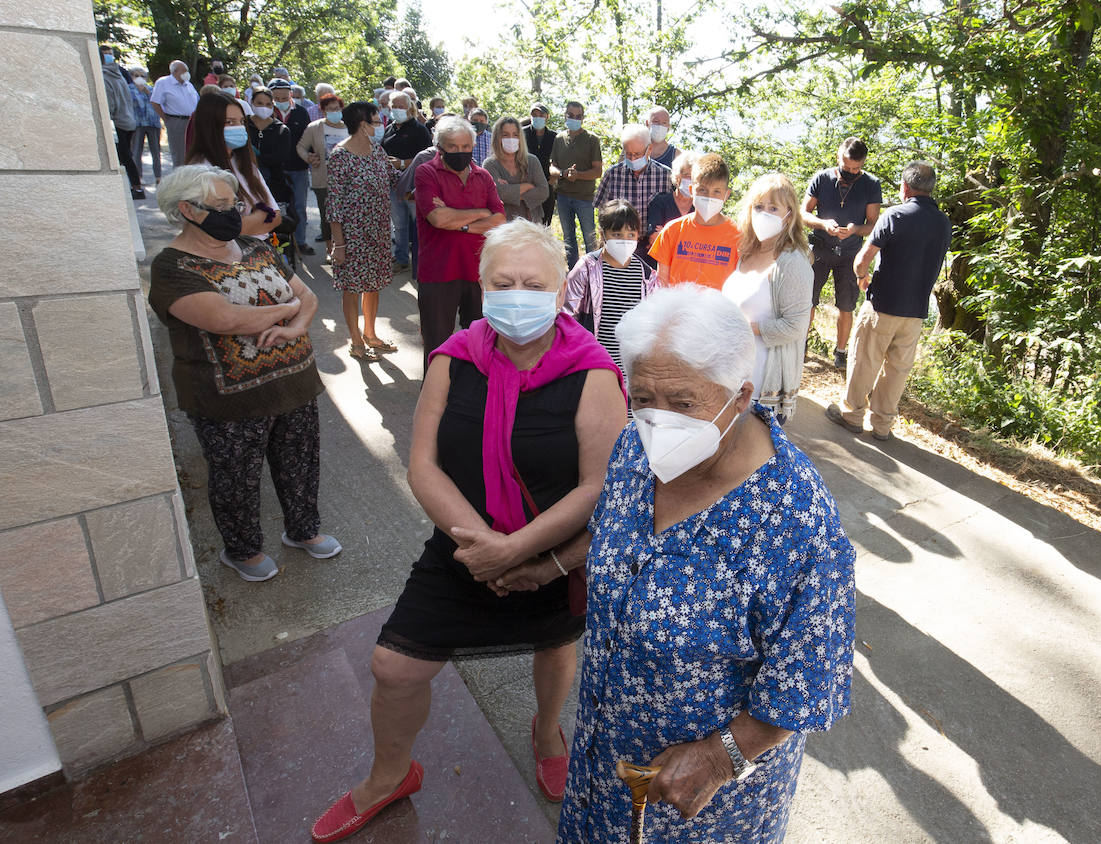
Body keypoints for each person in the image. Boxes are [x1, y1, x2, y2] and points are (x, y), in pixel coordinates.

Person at [309, 220, 627, 843]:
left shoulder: (591, 372)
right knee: (394, 667)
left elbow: (599, 486)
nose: (517, 294)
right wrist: (480, 545)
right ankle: (389, 775)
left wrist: (517, 550)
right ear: (480, 287)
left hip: (558, 553)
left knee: (556, 644)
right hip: (462, 545)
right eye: (502, 282)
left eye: (533, 283)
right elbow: (422, 464)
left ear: (562, 292)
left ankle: (545, 730)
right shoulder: (453, 359)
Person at [533, 284, 856, 843]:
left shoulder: (800, 528)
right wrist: (550, 568)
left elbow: (806, 684)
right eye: (643, 398)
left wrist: (720, 757)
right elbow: (615, 533)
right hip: (601, 763)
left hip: (700, 803)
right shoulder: (636, 445)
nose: (660, 421)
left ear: (742, 395)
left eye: (683, 402)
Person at [148, 164, 341, 582]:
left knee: (300, 464)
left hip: (294, 382)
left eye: (233, 204)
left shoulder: (256, 247)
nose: (232, 213)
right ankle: (242, 551)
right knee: (236, 476)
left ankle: (303, 531)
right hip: (229, 400)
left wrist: (296, 324)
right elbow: (227, 319)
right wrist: (288, 308)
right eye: (218, 206)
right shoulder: (172, 267)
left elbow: (307, 298)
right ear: (186, 209)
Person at [826, 161, 950, 441]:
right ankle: (882, 426)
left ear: (905, 187)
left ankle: (852, 416)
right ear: (931, 190)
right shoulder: (943, 222)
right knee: (897, 370)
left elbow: (863, 258)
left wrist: (861, 276)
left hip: (883, 304)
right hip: (917, 311)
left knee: (864, 361)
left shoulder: (896, 215)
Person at [413, 117, 507, 360]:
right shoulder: (426, 172)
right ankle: (436, 397)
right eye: (453, 147)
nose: (460, 152)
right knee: (437, 346)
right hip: (438, 273)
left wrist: (459, 223)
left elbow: (499, 221)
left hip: (478, 273)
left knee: (479, 344)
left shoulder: (483, 176)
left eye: (466, 146)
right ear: (440, 147)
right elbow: (438, 219)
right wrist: (480, 213)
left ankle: (473, 396)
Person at [722, 174, 812, 423]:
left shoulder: (792, 262)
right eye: (759, 207)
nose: (765, 214)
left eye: (774, 208)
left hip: (762, 385)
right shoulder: (746, 253)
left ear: (789, 215)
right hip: (729, 376)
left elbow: (796, 325)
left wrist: (749, 328)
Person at [327, 101, 402, 360]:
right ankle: (356, 341)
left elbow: (395, 180)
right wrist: (339, 244)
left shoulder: (377, 151)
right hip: (352, 237)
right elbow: (334, 204)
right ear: (363, 125)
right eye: (376, 121)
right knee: (352, 287)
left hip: (378, 233)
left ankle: (371, 334)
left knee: (374, 285)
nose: (380, 125)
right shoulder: (339, 156)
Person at [802, 137, 883, 370]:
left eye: (856, 169)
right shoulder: (822, 178)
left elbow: (873, 224)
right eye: (847, 167)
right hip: (819, 247)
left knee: (846, 305)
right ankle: (801, 344)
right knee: (808, 301)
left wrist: (856, 229)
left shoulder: (871, 184)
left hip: (850, 253)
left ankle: (841, 352)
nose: (851, 172)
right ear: (838, 156)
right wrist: (822, 223)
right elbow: (803, 213)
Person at [563, 199, 660, 374]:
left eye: (631, 235)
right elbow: (566, 314)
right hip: (594, 363)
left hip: (630, 369)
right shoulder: (587, 268)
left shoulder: (647, 275)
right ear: (603, 233)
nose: (625, 241)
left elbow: (653, 320)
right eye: (617, 234)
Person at [185, 91, 282, 240]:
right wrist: (260, 216)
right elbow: (218, 230)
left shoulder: (244, 163)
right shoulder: (200, 171)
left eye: (241, 122)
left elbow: (275, 217)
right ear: (209, 126)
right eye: (229, 122)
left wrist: (242, 224)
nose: (239, 128)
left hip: (257, 250)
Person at [648, 152, 738, 290]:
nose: (709, 197)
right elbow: (661, 285)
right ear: (691, 190)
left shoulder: (738, 235)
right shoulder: (672, 230)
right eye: (702, 190)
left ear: (726, 195)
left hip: (720, 310)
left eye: (716, 192)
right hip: (678, 310)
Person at [593, 124, 672, 258]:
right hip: (619, 245)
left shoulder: (666, 176)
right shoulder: (612, 174)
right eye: (628, 154)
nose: (633, 159)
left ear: (649, 149)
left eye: (637, 154)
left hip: (652, 246)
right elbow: (602, 212)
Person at [381, 90, 433, 274]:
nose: (396, 110)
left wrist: (402, 163)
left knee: (418, 224)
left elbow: (428, 158)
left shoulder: (419, 130)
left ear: (409, 108)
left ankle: (422, 262)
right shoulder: (389, 127)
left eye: (400, 106)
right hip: (392, 185)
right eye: (393, 106)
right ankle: (402, 259)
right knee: (399, 224)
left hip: (413, 185)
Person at [549, 101, 603, 269]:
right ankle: (573, 273)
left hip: (585, 199)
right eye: (570, 115)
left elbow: (597, 171)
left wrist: (578, 175)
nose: (574, 119)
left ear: (583, 118)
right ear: (565, 115)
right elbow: (552, 167)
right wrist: (564, 173)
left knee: (590, 238)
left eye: (578, 116)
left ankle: (593, 272)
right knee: (568, 240)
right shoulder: (559, 138)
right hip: (564, 197)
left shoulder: (592, 139)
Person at [267, 79, 315, 254]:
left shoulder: (301, 113)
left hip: (299, 167)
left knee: (300, 206)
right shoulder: (267, 113)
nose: (280, 99)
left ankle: (300, 242)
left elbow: (308, 140)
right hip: (274, 169)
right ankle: (277, 243)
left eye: (284, 95)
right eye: (276, 96)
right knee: (275, 207)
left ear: (290, 94)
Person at [244, 87, 299, 236]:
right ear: (252, 103)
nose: (264, 107)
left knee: (273, 228)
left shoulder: (281, 129)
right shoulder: (243, 126)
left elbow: (280, 158)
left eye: (268, 104)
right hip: (245, 183)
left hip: (274, 186)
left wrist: (256, 157)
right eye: (259, 103)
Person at [297, 93, 349, 250]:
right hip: (323, 179)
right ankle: (329, 248)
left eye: (337, 108)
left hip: (348, 180)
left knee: (347, 215)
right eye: (330, 109)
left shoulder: (348, 127)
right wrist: (309, 158)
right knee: (327, 216)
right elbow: (301, 147)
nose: (334, 111)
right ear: (323, 110)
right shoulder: (314, 127)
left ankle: (346, 246)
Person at [484, 116, 549, 224]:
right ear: (497, 137)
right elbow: (498, 194)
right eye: (505, 135)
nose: (511, 139)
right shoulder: (490, 164)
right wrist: (528, 186)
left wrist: (509, 191)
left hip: (532, 223)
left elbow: (543, 191)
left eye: (515, 135)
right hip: (504, 225)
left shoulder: (532, 161)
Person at [101, 45, 144, 199]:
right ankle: (134, 185)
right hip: (128, 120)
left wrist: (109, 119)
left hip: (118, 121)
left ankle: (136, 187)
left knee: (124, 156)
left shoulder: (106, 77)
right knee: (125, 156)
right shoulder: (120, 74)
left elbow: (110, 102)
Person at [644, 151, 696, 265]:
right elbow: (654, 239)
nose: (689, 179)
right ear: (677, 176)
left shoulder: (699, 208)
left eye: (693, 177)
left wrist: (667, 235)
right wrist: (687, 242)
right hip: (659, 267)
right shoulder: (660, 202)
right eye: (686, 175)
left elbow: (700, 246)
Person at [150, 59, 200, 167]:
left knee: (193, 152)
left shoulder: (188, 85)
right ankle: (180, 179)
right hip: (176, 121)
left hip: (192, 121)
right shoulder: (163, 83)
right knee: (179, 154)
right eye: (184, 71)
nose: (187, 73)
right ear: (175, 71)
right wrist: (166, 119)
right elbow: (155, 102)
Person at [128, 68, 163, 185]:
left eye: (142, 76)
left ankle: (158, 176)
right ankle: (138, 176)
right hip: (138, 124)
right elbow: (130, 103)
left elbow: (159, 102)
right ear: (132, 77)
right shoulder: (129, 89)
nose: (140, 78)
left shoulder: (151, 89)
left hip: (153, 123)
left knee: (156, 151)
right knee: (137, 151)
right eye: (137, 75)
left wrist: (148, 93)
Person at [524, 102, 557, 225]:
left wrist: (551, 181)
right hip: (526, 186)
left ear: (547, 117)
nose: (537, 117)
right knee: (526, 223)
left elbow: (557, 161)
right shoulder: (522, 133)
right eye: (534, 114)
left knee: (545, 224)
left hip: (546, 186)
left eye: (541, 114)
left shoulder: (554, 137)